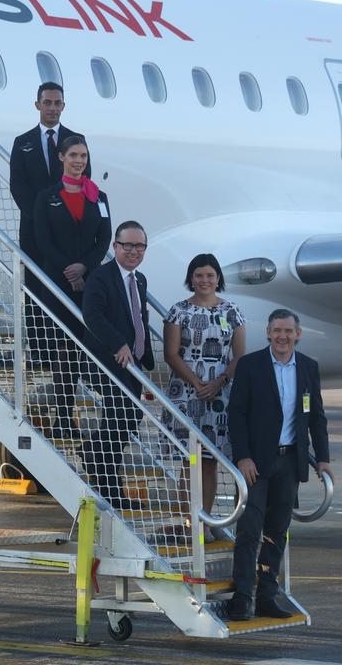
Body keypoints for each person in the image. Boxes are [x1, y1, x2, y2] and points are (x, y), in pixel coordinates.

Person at [226, 309, 331, 621]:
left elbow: (316, 417)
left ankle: (266, 596)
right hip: (255, 464)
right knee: (249, 531)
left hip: (290, 462)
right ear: (268, 334)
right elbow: (236, 413)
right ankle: (242, 597)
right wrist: (242, 457)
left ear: (298, 334)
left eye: (288, 331)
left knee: (277, 533)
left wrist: (322, 458)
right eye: (277, 331)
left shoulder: (309, 368)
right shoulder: (250, 365)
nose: (282, 336)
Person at [32, 136, 111, 436]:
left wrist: (85, 267)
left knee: (86, 347)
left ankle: (101, 416)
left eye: (84, 156)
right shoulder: (47, 197)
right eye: (74, 155)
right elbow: (43, 240)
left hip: (90, 282)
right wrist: (70, 270)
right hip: (57, 282)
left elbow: (104, 239)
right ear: (62, 157)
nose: (80, 161)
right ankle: (64, 416)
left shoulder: (98, 197)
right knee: (63, 348)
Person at [163, 254, 246, 525]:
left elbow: (239, 356)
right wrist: (197, 383)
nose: (204, 280)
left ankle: (206, 521)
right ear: (191, 278)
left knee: (210, 461)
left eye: (210, 275)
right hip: (187, 394)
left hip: (219, 395)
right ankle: (189, 522)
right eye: (199, 275)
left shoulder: (232, 312)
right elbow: (171, 354)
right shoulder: (178, 311)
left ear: (218, 278)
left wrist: (218, 382)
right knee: (190, 461)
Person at [10, 83, 89, 362]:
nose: (53, 108)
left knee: (68, 285)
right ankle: (41, 350)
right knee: (34, 289)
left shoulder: (76, 141)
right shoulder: (23, 142)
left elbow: (83, 183)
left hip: (68, 233)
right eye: (48, 103)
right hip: (33, 230)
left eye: (58, 103)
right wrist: (43, 217)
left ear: (63, 107)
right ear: (38, 105)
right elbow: (18, 186)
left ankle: (69, 350)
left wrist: (62, 218)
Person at [81, 221, 155, 508]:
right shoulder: (101, 277)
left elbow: (139, 316)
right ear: (115, 247)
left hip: (132, 364)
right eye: (128, 245)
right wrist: (119, 344)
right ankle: (111, 489)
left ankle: (92, 454)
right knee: (117, 422)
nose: (134, 251)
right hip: (107, 361)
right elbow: (93, 316)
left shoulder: (140, 280)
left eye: (140, 246)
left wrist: (144, 352)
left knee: (127, 421)